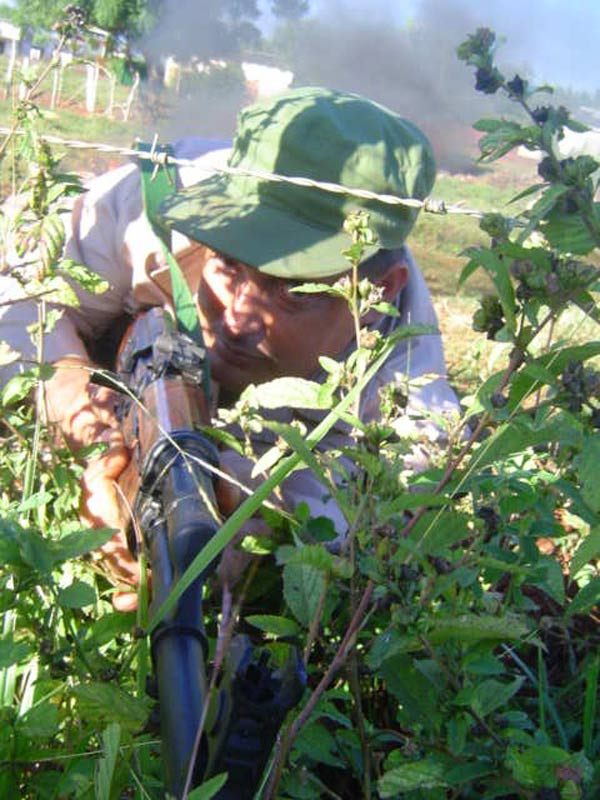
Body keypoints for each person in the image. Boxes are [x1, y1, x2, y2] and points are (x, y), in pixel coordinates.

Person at [0, 86, 460, 607]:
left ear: (378, 293)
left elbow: (407, 491)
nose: (237, 317)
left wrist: (251, 518)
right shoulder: (148, 203)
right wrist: (76, 406)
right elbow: (18, 294)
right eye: (228, 265)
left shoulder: (407, 366)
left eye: (291, 292)